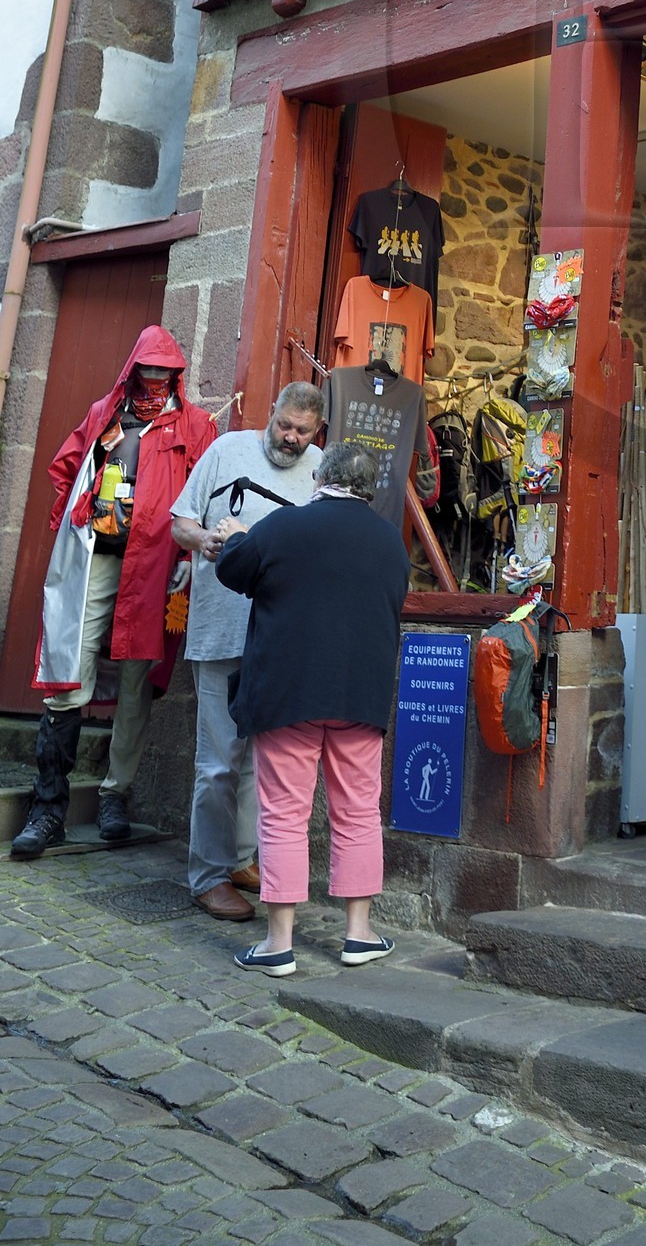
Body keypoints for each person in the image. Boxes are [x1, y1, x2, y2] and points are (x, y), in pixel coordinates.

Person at [12, 325, 215, 861]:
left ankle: (113, 795)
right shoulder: (105, 411)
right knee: (67, 668)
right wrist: (73, 519)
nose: (153, 380)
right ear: (132, 369)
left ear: (176, 375)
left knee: (137, 678)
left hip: (154, 566)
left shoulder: (195, 426)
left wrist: (188, 561)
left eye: (162, 372)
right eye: (145, 370)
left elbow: (206, 500)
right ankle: (48, 807)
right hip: (97, 559)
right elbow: (67, 468)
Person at [213, 438, 410, 975]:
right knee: (357, 813)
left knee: (283, 815)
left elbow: (234, 571)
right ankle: (359, 934)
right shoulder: (391, 543)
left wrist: (234, 537)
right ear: (369, 491)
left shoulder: (285, 527)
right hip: (358, 695)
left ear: (321, 477)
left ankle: (279, 944)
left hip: (288, 694)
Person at [169, 382, 326, 923]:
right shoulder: (226, 449)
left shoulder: (320, 468)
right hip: (220, 628)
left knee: (262, 761)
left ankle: (239, 860)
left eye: (302, 431)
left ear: (316, 431)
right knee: (217, 762)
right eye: (285, 424)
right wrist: (203, 540)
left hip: (280, 636)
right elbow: (179, 521)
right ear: (272, 412)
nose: (290, 437)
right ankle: (207, 876)